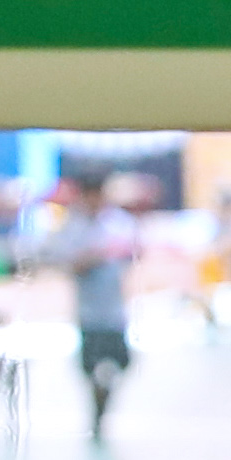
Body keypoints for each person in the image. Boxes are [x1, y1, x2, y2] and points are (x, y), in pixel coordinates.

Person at [62, 175, 149, 441]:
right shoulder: (73, 227)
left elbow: (136, 250)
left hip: (114, 312)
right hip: (89, 314)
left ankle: (102, 403)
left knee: (121, 362)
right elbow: (69, 262)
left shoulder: (117, 224)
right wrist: (96, 256)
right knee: (91, 368)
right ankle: (97, 412)